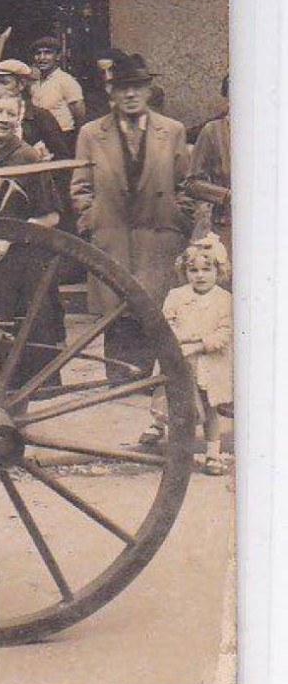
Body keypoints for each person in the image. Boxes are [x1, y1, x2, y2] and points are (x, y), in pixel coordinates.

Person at [70, 54, 193, 383]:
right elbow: (80, 186)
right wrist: (90, 222)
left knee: (154, 312)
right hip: (111, 237)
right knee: (117, 312)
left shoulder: (173, 131)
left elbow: (187, 184)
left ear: (149, 90)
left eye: (137, 87)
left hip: (159, 237)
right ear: (112, 92)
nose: (130, 95)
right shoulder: (92, 133)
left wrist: (179, 220)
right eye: (123, 88)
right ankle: (119, 385)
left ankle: (152, 384)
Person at [0, 94, 66, 391]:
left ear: (19, 118)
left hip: (16, 266)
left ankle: (16, 410)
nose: (3, 118)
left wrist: (8, 239)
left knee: (15, 341)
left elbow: (51, 216)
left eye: (10, 113)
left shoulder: (26, 157)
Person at [141, 236, 233, 475]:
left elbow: (224, 334)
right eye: (193, 270)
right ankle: (167, 436)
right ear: (185, 272)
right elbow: (166, 322)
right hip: (179, 356)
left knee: (209, 408)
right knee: (173, 401)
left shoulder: (224, 300)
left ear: (218, 271)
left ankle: (213, 453)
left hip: (208, 362)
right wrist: (178, 339)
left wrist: (199, 344)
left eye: (206, 269)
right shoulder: (176, 295)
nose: (200, 276)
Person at [188, 74, 232, 252]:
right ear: (227, 95)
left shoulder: (272, 130)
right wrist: (226, 195)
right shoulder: (213, 131)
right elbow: (192, 183)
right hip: (225, 226)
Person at [30, 36, 87, 137]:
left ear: (58, 56)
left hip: (63, 137)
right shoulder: (33, 82)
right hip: (39, 138)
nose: (42, 57)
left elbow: (79, 114)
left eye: (48, 53)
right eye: (38, 53)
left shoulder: (66, 81)